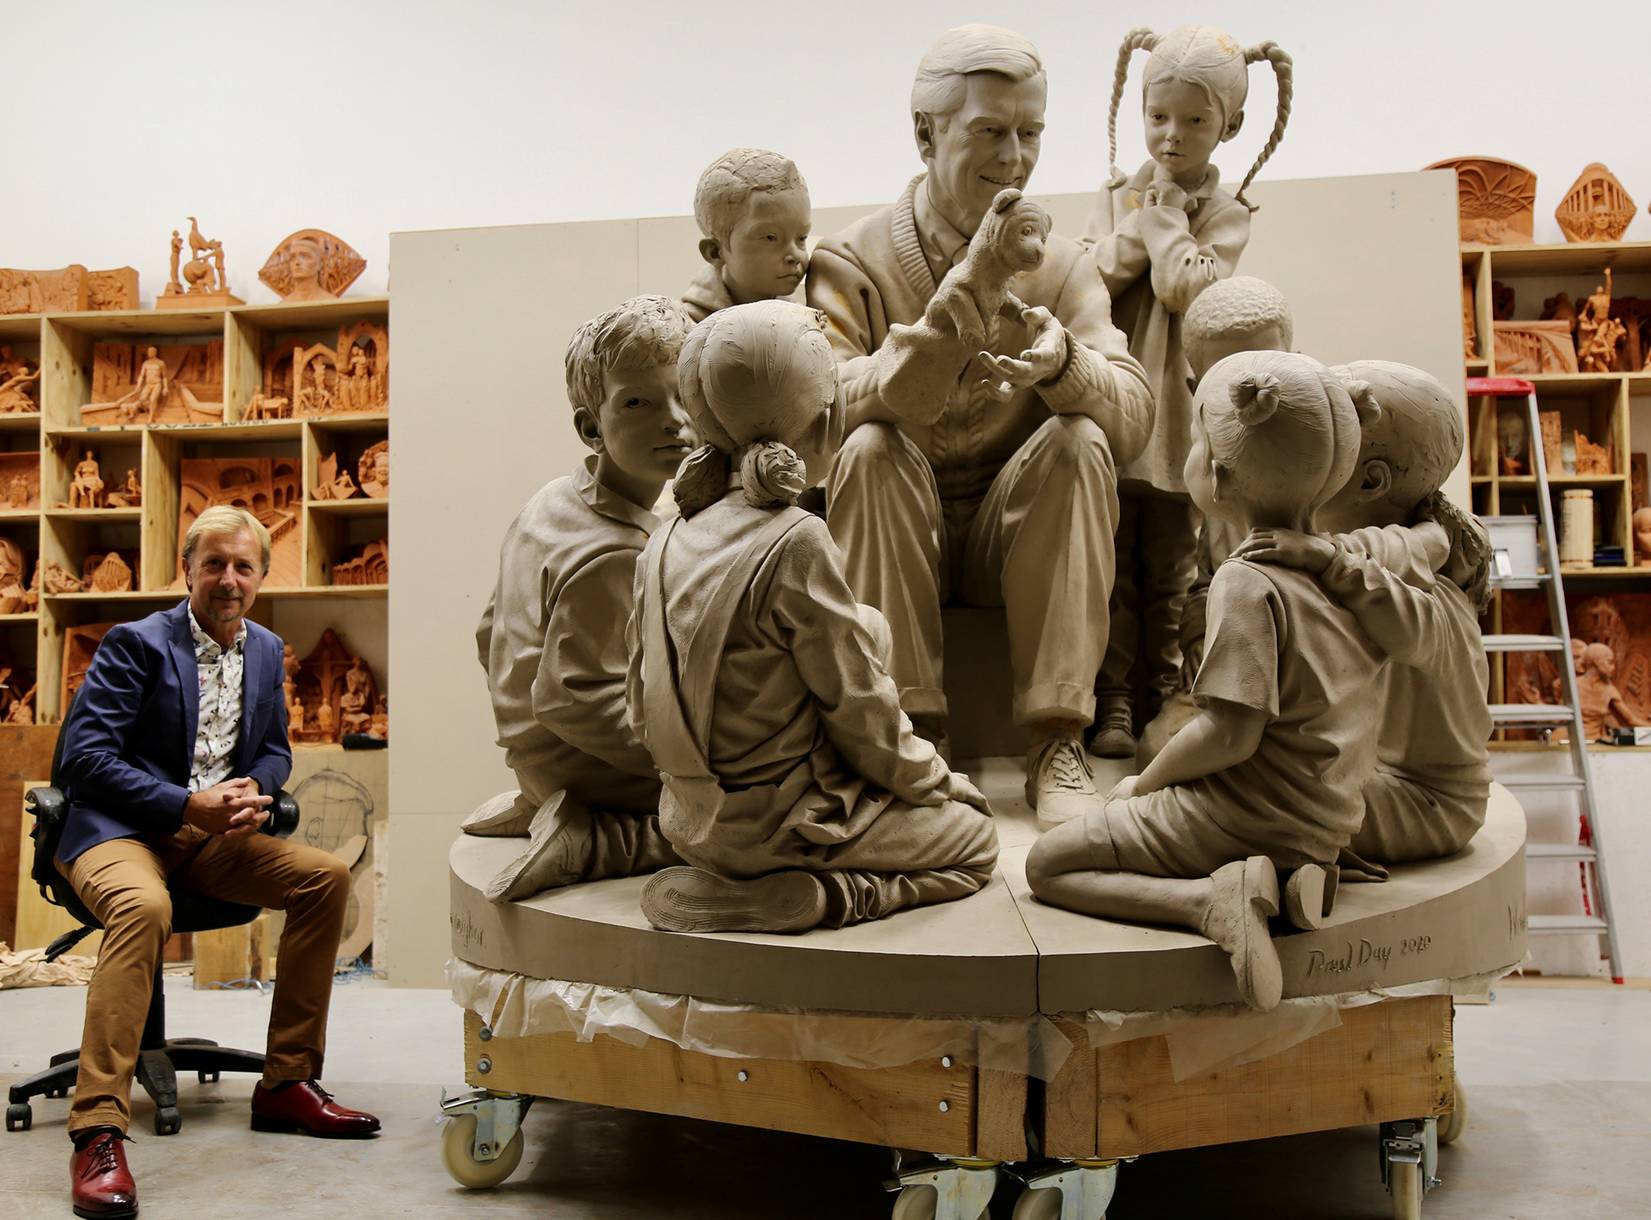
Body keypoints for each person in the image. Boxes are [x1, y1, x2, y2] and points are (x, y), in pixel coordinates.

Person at [807, 24, 1153, 826]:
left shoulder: (1061, 265)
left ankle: (1056, 741)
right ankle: (911, 738)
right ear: (925, 134)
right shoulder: (851, 262)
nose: (1014, 156)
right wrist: (957, 312)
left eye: (1029, 133)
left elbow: (1133, 418)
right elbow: (816, 418)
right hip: (898, 519)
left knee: (1082, 439)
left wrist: (1065, 366)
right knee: (867, 446)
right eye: (989, 132)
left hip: (1012, 528)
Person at [1026, 352, 1382, 1012]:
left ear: (1215, 472)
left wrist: (1143, 784)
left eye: (1193, 439)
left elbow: (1229, 734)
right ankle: (1286, 878)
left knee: (1047, 864)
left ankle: (1207, 902)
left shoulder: (1246, 581)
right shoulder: (1346, 566)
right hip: (1326, 818)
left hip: (1250, 816)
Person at [629, 300, 998, 933]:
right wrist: (932, 780)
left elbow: (640, 705)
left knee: (867, 626)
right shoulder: (795, 539)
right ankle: (828, 897)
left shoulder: (664, 537)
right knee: (975, 842)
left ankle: (739, 872)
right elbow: (859, 709)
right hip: (772, 827)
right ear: (827, 419)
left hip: (686, 820)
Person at [55, 505, 376, 1219]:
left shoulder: (263, 648)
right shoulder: (135, 643)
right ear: (188, 570)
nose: (229, 579)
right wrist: (183, 803)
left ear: (261, 575)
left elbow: (273, 747)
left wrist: (254, 791)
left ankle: (286, 1083)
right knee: (144, 906)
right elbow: (83, 760)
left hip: (212, 839)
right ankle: (99, 1129)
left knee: (323, 877)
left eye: (243, 566)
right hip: (121, 829)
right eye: (214, 564)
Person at [1086, 25, 1294, 760]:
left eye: (1195, 121)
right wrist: (1138, 223)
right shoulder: (1118, 194)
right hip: (1119, 398)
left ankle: (1162, 696)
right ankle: (1108, 701)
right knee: (1109, 566)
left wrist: (1162, 219)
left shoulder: (1226, 211)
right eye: (1159, 116)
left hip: (1179, 410)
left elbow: (1186, 288)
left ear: (1228, 127)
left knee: (1173, 568)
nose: (1172, 135)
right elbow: (1084, 283)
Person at [472, 295, 695, 901]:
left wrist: (527, 746)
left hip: (535, 758)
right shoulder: (617, 553)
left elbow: (489, 632)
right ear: (590, 427)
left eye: (685, 396)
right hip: (582, 767)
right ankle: (597, 839)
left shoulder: (551, 500)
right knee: (770, 816)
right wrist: (697, 761)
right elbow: (576, 703)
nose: (673, 419)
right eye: (639, 403)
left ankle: (539, 795)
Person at [1234, 361, 1494, 865]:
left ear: (1371, 481)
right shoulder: (1375, 560)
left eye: (1331, 443)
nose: (1308, 457)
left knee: (1241, 796)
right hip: (1371, 779)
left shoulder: (1423, 593)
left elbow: (1377, 586)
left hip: (1427, 804)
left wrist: (1326, 557)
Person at [1134, 275, 1294, 766]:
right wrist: (1201, 641)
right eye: (1228, 380)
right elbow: (1205, 583)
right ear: (1194, 387)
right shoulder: (1215, 474)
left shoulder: (1334, 440)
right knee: (1160, 749)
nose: (1251, 394)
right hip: (1235, 667)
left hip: (1319, 661)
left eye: (1265, 369)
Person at [683, 148, 811, 322]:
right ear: (715, 251)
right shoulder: (688, 330)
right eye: (770, 238)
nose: (795, 255)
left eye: (801, 238)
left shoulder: (801, 321)